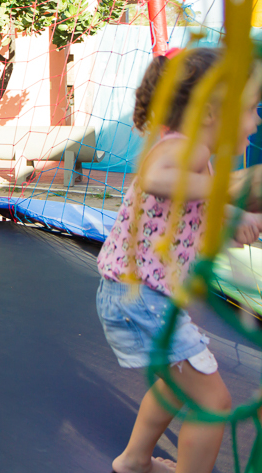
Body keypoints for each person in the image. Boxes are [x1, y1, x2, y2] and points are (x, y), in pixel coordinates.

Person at [97, 48, 262, 473]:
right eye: (249, 110)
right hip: (141, 298)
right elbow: (155, 179)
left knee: (173, 387)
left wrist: (238, 220)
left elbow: (194, 207)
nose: (256, 120)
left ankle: (134, 460)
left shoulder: (193, 161)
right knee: (214, 402)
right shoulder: (184, 149)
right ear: (212, 113)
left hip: (137, 296)